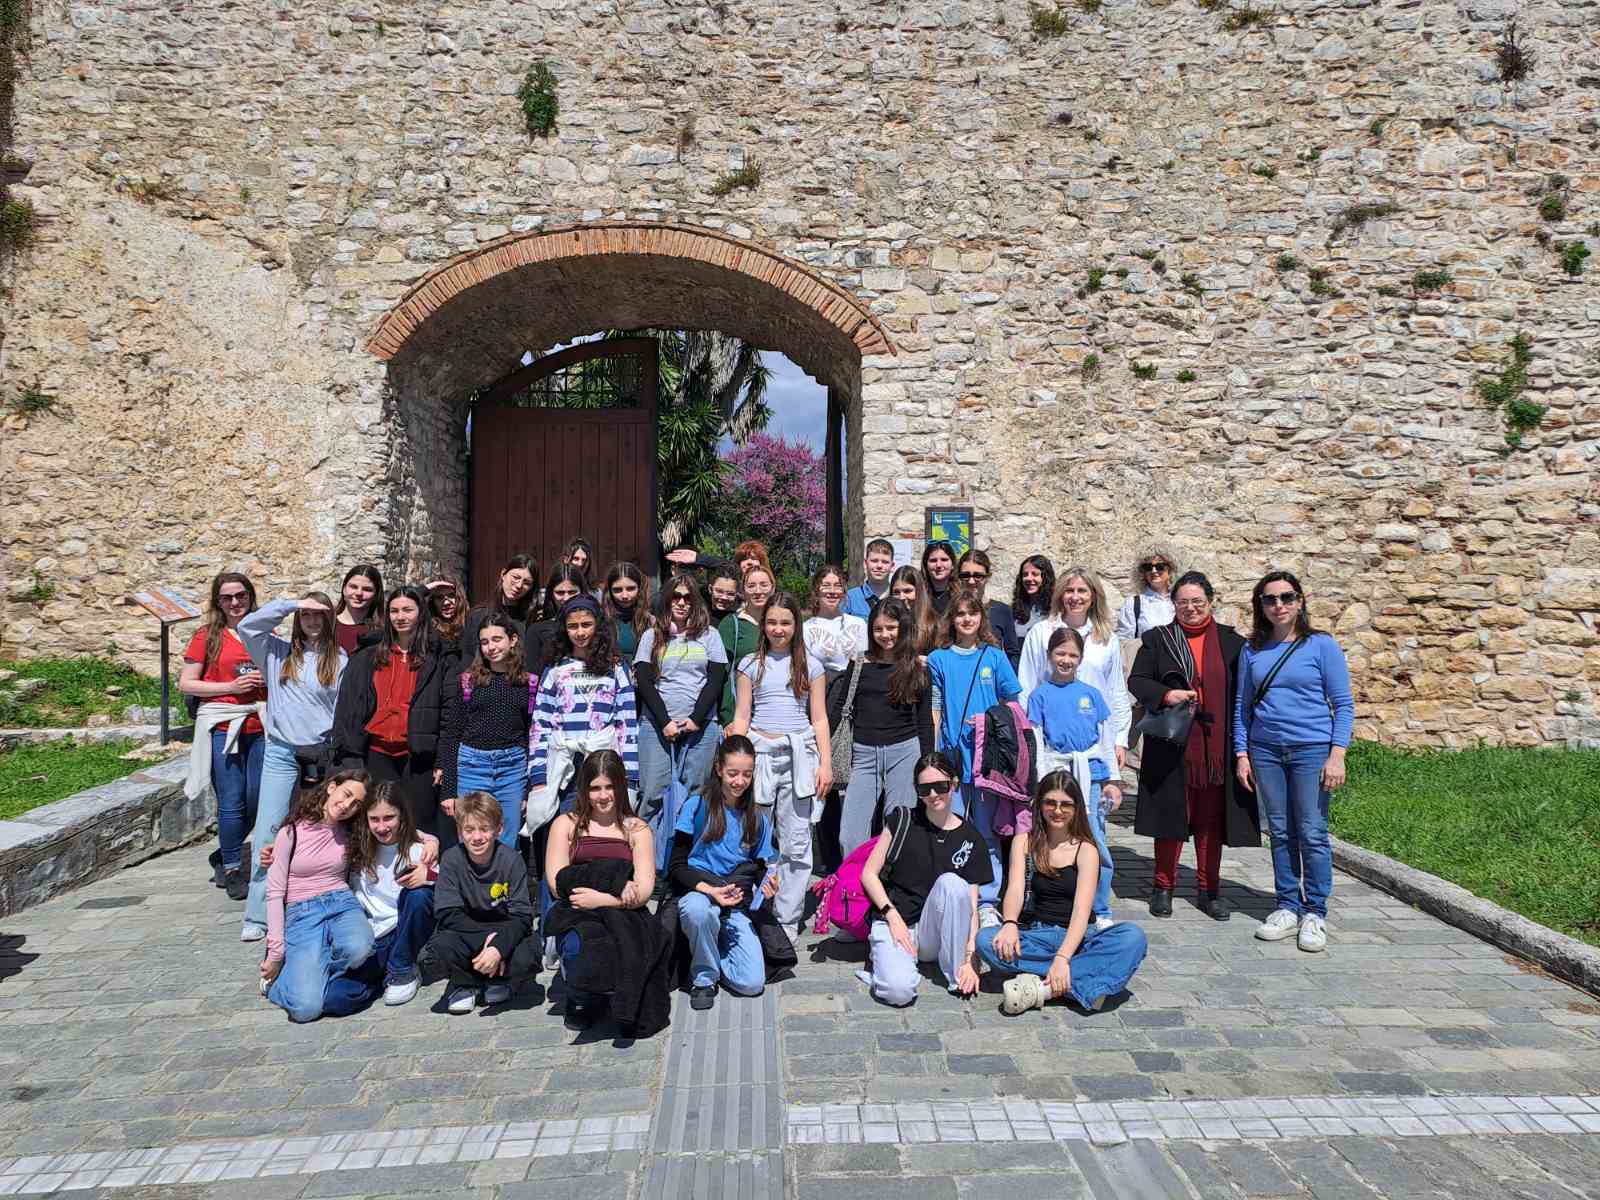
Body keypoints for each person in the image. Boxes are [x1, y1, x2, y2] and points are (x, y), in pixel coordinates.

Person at [1234, 570, 1355, 954]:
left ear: (1300, 601)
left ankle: (1315, 911)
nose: (1279, 605)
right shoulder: (1252, 650)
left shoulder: (1321, 646)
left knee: (1312, 831)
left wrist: (1337, 755)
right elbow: (1243, 707)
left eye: (1286, 597)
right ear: (1261, 605)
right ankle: (1287, 905)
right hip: (1266, 751)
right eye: (1270, 599)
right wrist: (1242, 753)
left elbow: (1344, 705)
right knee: (1281, 831)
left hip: (1311, 750)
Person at [1129, 571, 1257, 922]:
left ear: (1210, 602)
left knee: (1209, 823)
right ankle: (1163, 887)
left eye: (1197, 601)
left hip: (1217, 749)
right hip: (1171, 744)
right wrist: (1166, 694)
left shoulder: (1233, 644)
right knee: (1169, 817)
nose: (1190, 608)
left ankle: (1209, 890)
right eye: (1183, 602)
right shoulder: (1159, 639)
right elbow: (1137, 680)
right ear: (1174, 604)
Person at [976, 771, 1148, 1011]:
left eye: (1066, 804)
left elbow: (1081, 911)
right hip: (1037, 935)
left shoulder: (1087, 849)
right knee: (985, 940)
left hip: (1080, 939)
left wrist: (1062, 957)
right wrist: (1010, 923)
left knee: (1132, 937)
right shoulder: (1023, 842)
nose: (1057, 811)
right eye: (1051, 803)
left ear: (1076, 808)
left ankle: (1043, 988)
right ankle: (1081, 981)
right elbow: (1015, 889)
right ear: (1039, 804)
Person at [236, 591, 346, 942]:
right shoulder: (276, 652)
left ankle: (314, 899)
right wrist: (291, 605)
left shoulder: (339, 659)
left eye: (319, 615)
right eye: (307, 615)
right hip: (281, 752)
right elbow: (248, 627)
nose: (312, 621)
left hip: (320, 753)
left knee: (320, 828)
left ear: (329, 620)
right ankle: (258, 913)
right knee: (269, 829)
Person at [725, 590, 832, 933]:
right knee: (751, 836)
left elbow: (819, 718)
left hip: (799, 756)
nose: (778, 629)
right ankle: (748, 908)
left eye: (785, 622)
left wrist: (825, 764)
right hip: (759, 756)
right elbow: (742, 715)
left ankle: (787, 920)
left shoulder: (811, 665)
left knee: (796, 842)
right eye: (771, 622)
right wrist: (733, 757)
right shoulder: (749, 665)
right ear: (763, 625)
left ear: (796, 625)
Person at [542, 750, 664, 1032]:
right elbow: (556, 883)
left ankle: (617, 995)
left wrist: (603, 899)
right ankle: (580, 996)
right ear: (584, 790)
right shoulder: (566, 825)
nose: (603, 795)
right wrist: (609, 889)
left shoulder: (638, 829)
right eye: (595, 788)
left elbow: (644, 890)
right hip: (577, 908)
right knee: (580, 946)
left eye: (610, 787)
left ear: (621, 786)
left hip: (623, 911)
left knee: (628, 945)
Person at [858, 752, 992, 1006]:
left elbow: (971, 908)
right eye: (924, 789)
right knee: (898, 993)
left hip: (934, 933)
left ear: (954, 784)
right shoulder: (902, 820)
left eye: (940, 786)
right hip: (897, 922)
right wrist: (891, 915)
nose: (932, 795)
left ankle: (955, 971)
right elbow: (869, 874)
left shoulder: (971, 838)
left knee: (953, 883)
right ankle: (887, 967)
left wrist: (970, 958)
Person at [926, 590, 1021, 912]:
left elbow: (1012, 703)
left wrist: (989, 721)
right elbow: (936, 706)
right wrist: (935, 752)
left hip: (986, 759)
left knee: (986, 831)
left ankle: (988, 897)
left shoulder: (994, 657)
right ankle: (950, 893)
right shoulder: (939, 659)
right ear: (951, 619)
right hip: (952, 757)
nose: (967, 619)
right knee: (947, 827)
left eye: (973, 613)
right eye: (960, 614)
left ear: (982, 618)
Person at [669, 735, 776, 1011]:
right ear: (718, 769)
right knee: (698, 912)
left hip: (735, 904)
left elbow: (759, 868)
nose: (739, 781)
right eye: (732, 773)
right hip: (701, 893)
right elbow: (676, 866)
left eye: (746, 774)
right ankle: (704, 978)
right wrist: (711, 891)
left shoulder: (757, 818)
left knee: (752, 984)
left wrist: (767, 888)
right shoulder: (696, 806)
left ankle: (708, 949)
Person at [332, 585, 448, 837]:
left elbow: (448, 711)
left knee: (419, 824)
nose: (400, 616)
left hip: (417, 755)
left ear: (421, 613)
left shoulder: (438, 657)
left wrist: (442, 759)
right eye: (394, 611)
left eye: (407, 610)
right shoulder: (368, 656)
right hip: (377, 752)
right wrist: (349, 754)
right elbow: (348, 709)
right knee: (378, 823)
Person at [259, 770, 374, 1023]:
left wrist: (431, 841)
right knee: (306, 1009)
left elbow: (398, 828)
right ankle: (282, 982)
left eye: (356, 804)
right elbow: (275, 893)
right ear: (332, 787)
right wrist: (276, 952)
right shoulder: (291, 833)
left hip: (342, 903)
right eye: (346, 794)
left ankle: (310, 971)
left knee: (360, 948)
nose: (346, 805)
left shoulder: (352, 833)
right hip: (302, 911)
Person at [1027, 627, 1121, 929]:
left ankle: (1100, 908)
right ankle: (1053, 901)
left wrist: (1112, 780)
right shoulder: (1039, 695)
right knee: (1054, 837)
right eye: (1060, 653)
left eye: (1072, 654)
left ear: (1081, 658)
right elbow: (1038, 741)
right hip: (1058, 774)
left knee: (1094, 839)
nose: (1066, 660)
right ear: (1049, 656)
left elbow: (1105, 740)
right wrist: (1041, 782)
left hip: (1090, 776)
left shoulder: (1091, 694)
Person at [181, 571, 267, 901]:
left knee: (258, 798)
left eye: (241, 595)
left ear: (250, 596)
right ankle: (232, 868)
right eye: (227, 597)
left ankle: (223, 851)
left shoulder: (264, 632)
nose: (235, 602)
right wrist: (230, 686)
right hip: (223, 724)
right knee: (231, 801)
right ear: (218, 601)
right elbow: (187, 683)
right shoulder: (208, 636)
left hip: (260, 725)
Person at [829, 599, 934, 857]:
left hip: (905, 753)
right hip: (863, 755)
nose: (885, 635)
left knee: (899, 828)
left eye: (891, 628)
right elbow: (840, 707)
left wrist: (928, 763)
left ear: (903, 627)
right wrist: (823, 749)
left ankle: (890, 880)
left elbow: (924, 721)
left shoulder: (918, 667)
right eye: (878, 629)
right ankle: (856, 880)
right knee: (850, 835)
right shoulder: (859, 663)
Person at [418, 791, 540, 1013]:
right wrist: (489, 943)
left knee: (528, 955)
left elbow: (522, 916)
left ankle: (499, 980)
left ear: (498, 830)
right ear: (460, 831)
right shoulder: (451, 859)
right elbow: (448, 913)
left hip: (503, 927)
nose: (476, 837)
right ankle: (466, 982)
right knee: (435, 953)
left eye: (484, 829)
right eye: (469, 830)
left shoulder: (512, 860)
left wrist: (499, 947)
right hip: (465, 930)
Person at [322, 781, 439, 1012]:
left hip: (402, 931)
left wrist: (429, 875)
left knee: (421, 895)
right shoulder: (356, 848)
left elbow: (450, 884)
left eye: (389, 818)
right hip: (370, 939)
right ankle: (384, 974)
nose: (382, 826)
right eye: (374, 819)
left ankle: (402, 967)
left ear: (402, 816)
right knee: (334, 1000)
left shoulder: (419, 850)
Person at [528, 596, 639, 830]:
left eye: (586, 624)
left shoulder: (616, 667)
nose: (580, 632)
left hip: (603, 763)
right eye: (573, 626)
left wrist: (630, 776)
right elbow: (540, 724)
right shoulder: (555, 668)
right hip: (565, 765)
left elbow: (627, 724)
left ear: (598, 625)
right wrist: (538, 775)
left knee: (601, 831)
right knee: (567, 830)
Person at [634, 578, 727, 835]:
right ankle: (647, 850)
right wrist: (665, 721)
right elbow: (644, 680)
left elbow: (716, 678)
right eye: (676, 596)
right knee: (653, 791)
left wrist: (696, 718)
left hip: (701, 726)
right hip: (656, 724)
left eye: (688, 598)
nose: (682, 602)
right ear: (666, 600)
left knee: (696, 793)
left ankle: (685, 852)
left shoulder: (710, 635)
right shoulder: (652, 636)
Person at [1017, 567, 1132, 772]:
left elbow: (1116, 691)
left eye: (1082, 591)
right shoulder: (1041, 633)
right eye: (1069, 590)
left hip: (1095, 746)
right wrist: (1029, 739)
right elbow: (1026, 686)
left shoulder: (1107, 639)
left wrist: (1120, 739)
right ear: (1060, 595)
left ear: (1093, 596)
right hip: (1051, 748)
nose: (1075, 597)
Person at [437, 614, 533, 847]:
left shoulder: (528, 683)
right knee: (472, 837)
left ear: (512, 640)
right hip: (472, 766)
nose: (491, 647)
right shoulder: (469, 681)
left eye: (497, 639)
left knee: (507, 839)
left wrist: (529, 789)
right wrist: (449, 790)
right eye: (485, 642)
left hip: (512, 768)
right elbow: (452, 734)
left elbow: (532, 735)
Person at [716, 563, 773, 726]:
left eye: (764, 585)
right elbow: (723, 674)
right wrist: (728, 718)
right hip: (742, 715)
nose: (758, 591)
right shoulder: (731, 624)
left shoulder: (782, 624)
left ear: (773, 588)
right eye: (751, 586)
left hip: (776, 713)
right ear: (742, 591)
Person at [956, 549, 1019, 665]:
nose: (971, 581)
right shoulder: (952, 610)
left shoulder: (1002, 611)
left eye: (978, 576)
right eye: (965, 575)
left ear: (988, 576)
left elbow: (1013, 653)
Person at [804, 563, 868, 677]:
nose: (832, 591)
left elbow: (864, 664)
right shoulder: (806, 629)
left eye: (838, 586)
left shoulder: (859, 624)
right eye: (826, 585)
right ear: (817, 590)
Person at [463, 554, 538, 650]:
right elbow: (468, 654)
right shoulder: (478, 616)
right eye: (515, 577)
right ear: (503, 574)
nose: (519, 585)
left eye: (526, 583)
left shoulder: (532, 619)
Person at [527, 563, 589, 678]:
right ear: (551, 593)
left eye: (572, 592)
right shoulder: (536, 631)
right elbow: (532, 676)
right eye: (560, 593)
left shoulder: (597, 626)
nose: (566, 598)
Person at [1116, 549, 1178, 640]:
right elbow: (1124, 639)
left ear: (1170, 570)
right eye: (1148, 567)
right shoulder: (1133, 604)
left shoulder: (1179, 601)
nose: (1153, 571)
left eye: (1159, 566)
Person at [332, 564, 385, 656]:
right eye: (353, 587)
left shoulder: (383, 631)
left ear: (376, 594)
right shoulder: (326, 624)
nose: (359, 593)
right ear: (344, 589)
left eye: (367, 589)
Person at [887, 565, 940, 657]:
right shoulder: (886, 622)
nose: (901, 597)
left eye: (907, 591)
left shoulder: (933, 625)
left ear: (919, 591)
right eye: (896, 592)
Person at [603, 561, 652, 659]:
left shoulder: (651, 621)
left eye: (630, 589)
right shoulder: (601, 621)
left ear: (639, 589)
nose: (624, 596)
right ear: (609, 592)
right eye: (617, 590)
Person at [843, 538, 897, 619]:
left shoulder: (897, 597)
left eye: (885, 562)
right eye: (874, 561)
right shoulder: (850, 598)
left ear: (892, 566)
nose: (879, 566)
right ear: (865, 563)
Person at [1010, 555, 1056, 650]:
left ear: (1045, 578)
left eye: (1035, 574)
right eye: (1025, 574)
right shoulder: (1014, 610)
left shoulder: (1056, 609)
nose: (1029, 578)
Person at [426, 577, 469, 658]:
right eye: (439, 597)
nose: (446, 603)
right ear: (433, 601)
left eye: (451, 595)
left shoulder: (471, 623)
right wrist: (425, 589)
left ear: (459, 597)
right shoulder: (429, 629)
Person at [922, 540, 958, 616]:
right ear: (925, 565)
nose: (938, 565)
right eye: (933, 560)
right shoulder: (919, 594)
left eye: (944, 560)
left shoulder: (960, 595)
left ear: (953, 564)